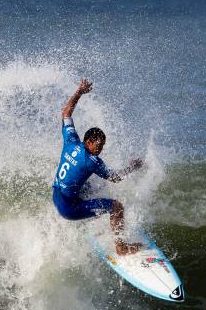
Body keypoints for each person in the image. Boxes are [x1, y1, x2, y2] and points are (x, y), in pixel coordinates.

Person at [52, 78, 144, 255]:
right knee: (117, 207)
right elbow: (115, 178)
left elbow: (66, 114)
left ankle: (91, 213)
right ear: (88, 142)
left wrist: (79, 92)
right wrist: (132, 167)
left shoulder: (72, 141)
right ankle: (121, 247)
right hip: (68, 209)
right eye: (98, 146)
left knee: (93, 185)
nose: (100, 150)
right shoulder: (92, 162)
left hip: (56, 195)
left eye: (102, 147)